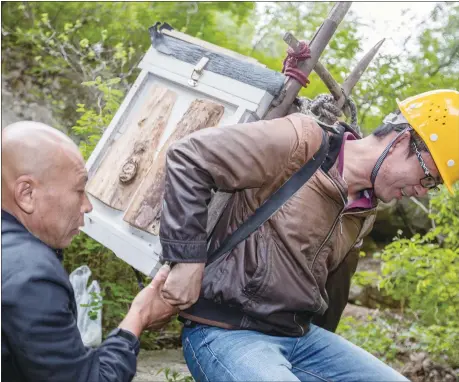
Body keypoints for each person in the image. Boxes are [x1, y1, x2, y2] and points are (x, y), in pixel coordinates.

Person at [158, 89, 459, 381]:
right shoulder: (301, 142)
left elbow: (333, 289)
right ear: (400, 142)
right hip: (226, 329)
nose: (421, 190)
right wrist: (187, 261)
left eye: (431, 186)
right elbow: (190, 156)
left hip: (300, 340)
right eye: (427, 176)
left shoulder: (365, 210)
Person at [1, 121, 179, 382]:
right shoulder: (32, 277)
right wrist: (137, 318)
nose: (87, 206)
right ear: (27, 194)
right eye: (79, 190)